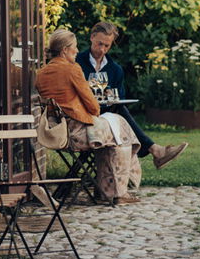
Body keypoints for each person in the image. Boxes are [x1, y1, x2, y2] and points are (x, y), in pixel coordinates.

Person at [36, 29, 142, 206]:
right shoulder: (72, 69)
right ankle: (118, 192)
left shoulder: (41, 73)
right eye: (74, 48)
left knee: (113, 132)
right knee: (120, 133)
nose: (77, 51)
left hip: (57, 131)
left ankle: (106, 191)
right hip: (78, 133)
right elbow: (93, 107)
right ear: (64, 51)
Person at [76, 22, 188, 169]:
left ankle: (154, 150)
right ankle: (155, 150)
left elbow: (119, 98)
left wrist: (110, 94)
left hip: (106, 114)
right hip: (84, 113)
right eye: (99, 44)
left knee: (119, 110)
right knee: (121, 112)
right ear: (92, 37)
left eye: (107, 46)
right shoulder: (77, 62)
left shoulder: (115, 69)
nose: (102, 49)